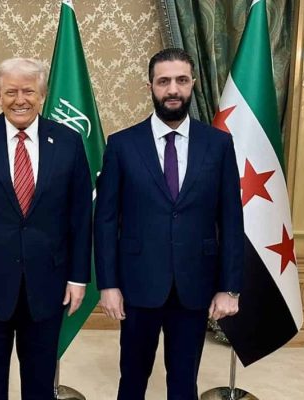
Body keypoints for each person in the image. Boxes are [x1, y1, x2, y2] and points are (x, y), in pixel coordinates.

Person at [94, 48, 244, 400]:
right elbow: (105, 221)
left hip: (195, 285)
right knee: (132, 379)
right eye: (163, 81)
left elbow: (231, 219)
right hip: (138, 284)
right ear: (150, 86)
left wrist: (229, 288)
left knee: (183, 382)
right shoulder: (121, 144)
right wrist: (108, 284)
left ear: (193, 84)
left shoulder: (218, 144)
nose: (172, 89)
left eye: (181, 80)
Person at [0, 57, 92, 400]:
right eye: (10, 92)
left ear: (42, 95)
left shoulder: (68, 141)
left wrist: (78, 278)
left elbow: (81, 216)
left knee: (40, 383)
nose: (19, 99)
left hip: (48, 284)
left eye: (28, 91)